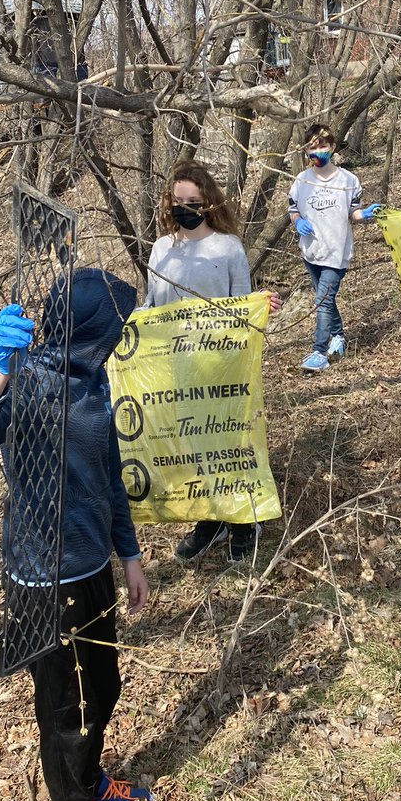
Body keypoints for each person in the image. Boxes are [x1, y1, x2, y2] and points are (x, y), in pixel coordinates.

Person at [0, 269, 153, 801]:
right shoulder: (27, 379)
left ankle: (89, 781)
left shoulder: (93, 380)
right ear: (90, 325)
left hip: (91, 567)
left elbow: (109, 475)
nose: (120, 334)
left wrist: (129, 555)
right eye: (115, 323)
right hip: (43, 577)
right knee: (66, 706)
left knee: (102, 688)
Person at [142, 159, 279, 564]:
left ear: (208, 202)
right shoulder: (161, 249)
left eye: (194, 201)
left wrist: (261, 308)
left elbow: (241, 304)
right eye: (178, 200)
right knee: (192, 445)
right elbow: (153, 306)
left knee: (228, 442)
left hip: (222, 364)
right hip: (176, 369)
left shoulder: (227, 247)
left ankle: (243, 519)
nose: (185, 207)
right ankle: (209, 518)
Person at [287, 124, 381, 371]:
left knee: (322, 302)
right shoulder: (301, 180)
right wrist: (298, 223)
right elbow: (293, 209)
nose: (318, 151)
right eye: (313, 147)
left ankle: (319, 352)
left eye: (322, 145)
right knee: (325, 299)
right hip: (311, 252)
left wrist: (366, 213)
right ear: (306, 150)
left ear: (332, 147)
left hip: (336, 252)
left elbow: (353, 213)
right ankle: (338, 336)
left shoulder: (348, 180)